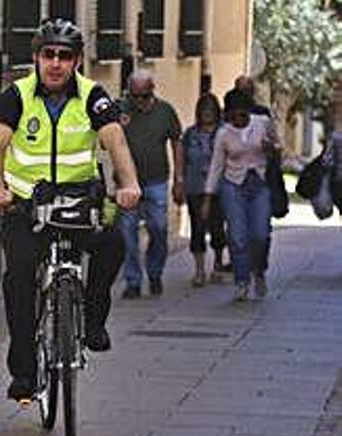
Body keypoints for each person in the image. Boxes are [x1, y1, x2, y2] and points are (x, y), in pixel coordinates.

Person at [0, 18, 141, 401]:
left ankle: (93, 317)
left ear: (77, 61)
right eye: (48, 55)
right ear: (36, 57)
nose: (55, 63)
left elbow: (115, 141)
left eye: (64, 56)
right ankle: (23, 373)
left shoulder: (92, 96)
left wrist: (129, 183)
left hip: (77, 203)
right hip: (25, 207)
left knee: (113, 245)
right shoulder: (16, 95)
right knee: (18, 281)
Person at [202, 89, 278, 301]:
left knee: (260, 234)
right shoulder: (223, 133)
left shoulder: (263, 123)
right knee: (237, 237)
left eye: (242, 115)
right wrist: (208, 198)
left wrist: (270, 147)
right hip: (232, 185)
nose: (238, 120)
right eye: (233, 116)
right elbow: (216, 166)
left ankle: (259, 270)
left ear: (249, 112)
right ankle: (242, 281)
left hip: (259, 183)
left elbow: (278, 147)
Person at [118, 71, 184, 298]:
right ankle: (133, 281)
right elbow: (106, 139)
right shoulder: (122, 110)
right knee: (127, 233)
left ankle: (155, 272)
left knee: (158, 229)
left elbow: (177, 143)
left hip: (156, 181)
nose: (139, 101)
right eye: (135, 96)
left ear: (152, 91)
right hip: (127, 182)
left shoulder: (165, 111)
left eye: (144, 96)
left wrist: (178, 179)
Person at [180, 93, 227, 286]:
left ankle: (217, 263)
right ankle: (199, 270)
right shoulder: (191, 134)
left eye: (210, 110)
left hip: (219, 187)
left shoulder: (224, 132)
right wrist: (180, 182)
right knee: (197, 227)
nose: (207, 114)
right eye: (203, 110)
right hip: (195, 187)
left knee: (217, 227)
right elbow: (183, 158)